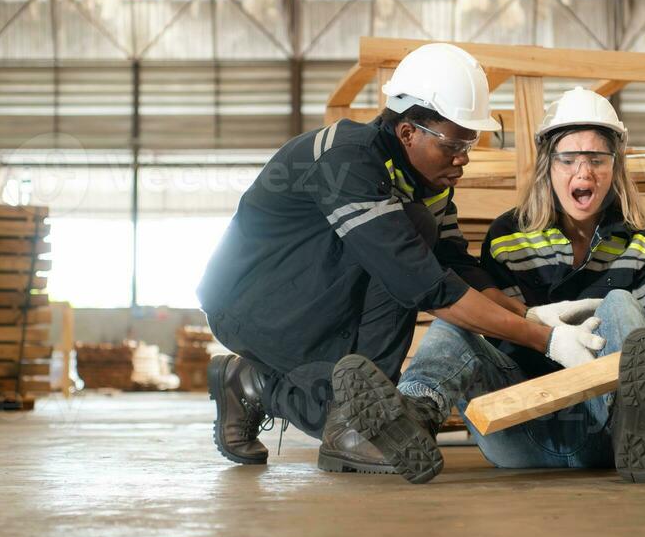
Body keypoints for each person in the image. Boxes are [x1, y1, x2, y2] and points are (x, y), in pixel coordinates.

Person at [198, 44, 607, 484]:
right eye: (454, 143)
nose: (464, 157)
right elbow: (424, 284)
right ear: (409, 131)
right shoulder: (347, 161)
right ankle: (271, 390)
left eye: (470, 142)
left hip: (308, 298)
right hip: (251, 307)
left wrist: (523, 313)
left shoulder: (425, 179)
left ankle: (334, 415)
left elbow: (453, 262)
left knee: (411, 247)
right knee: (342, 393)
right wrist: (545, 340)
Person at [398, 86, 645, 482]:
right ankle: (410, 420)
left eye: (597, 159)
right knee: (458, 318)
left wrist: (627, 382)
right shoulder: (510, 235)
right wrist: (547, 337)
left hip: (612, 434)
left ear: (615, 167)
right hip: (522, 430)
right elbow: (492, 329)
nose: (584, 172)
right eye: (569, 159)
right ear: (548, 166)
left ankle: (635, 419)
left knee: (620, 303)